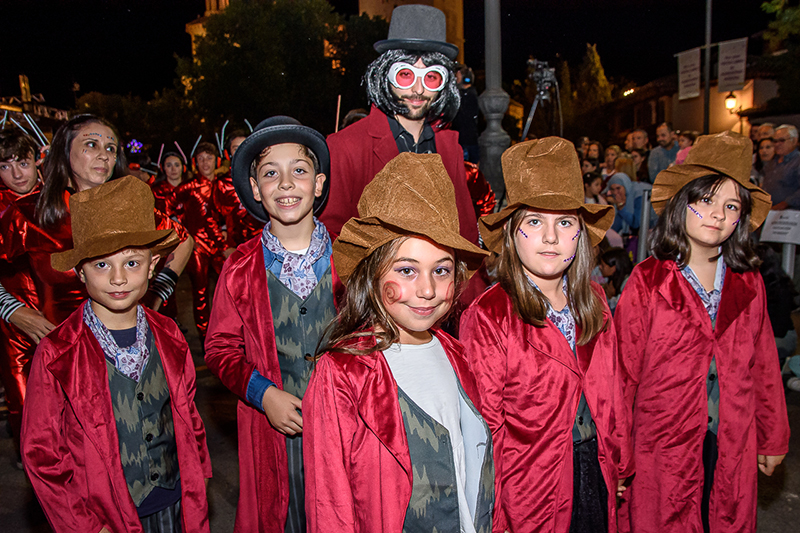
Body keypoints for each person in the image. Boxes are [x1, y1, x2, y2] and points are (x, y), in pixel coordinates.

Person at [304, 152, 493, 533]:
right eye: (407, 270)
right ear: (372, 275)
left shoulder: (457, 354)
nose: (427, 289)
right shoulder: (342, 375)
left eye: (441, 270)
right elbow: (330, 503)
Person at [615, 131, 790, 533]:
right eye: (705, 200)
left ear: (741, 217)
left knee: (723, 516)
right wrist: (619, 453)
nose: (716, 214)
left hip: (732, 438)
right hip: (663, 444)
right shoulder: (648, 281)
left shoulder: (749, 282)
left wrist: (773, 434)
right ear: (682, 204)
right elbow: (623, 373)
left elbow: (763, 364)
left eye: (730, 205)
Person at [22, 176, 211, 532]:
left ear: (153, 265)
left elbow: (190, 420)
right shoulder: (58, 352)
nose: (119, 278)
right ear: (80, 272)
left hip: (174, 503)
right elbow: (42, 454)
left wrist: (197, 479)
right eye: (102, 265)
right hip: (107, 515)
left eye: (132, 263)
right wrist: (88, 526)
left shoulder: (170, 335)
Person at [460, 138, 630, 533]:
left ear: (580, 235)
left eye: (565, 222)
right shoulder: (489, 315)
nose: (550, 237)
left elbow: (612, 392)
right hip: (528, 489)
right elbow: (485, 426)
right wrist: (494, 506)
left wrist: (620, 463)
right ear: (512, 234)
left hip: (594, 468)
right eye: (534, 222)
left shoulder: (595, 302)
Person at [205, 116, 334, 533]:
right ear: (257, 190)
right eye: (270, 174)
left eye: (298, 170)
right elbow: (220, 349)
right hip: (273, 438)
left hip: (344, 432)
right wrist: (264, 395)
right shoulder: (239, 269)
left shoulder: (352, 260)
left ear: (318, 183)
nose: (285, 183)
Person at [0, 114, 193, 329]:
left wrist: (158, 291)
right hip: (64, 349)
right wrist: (13, 311)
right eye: (92, 144)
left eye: (111, 148)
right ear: (65, 151)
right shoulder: (29, 212)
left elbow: (183, 239)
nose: (104, 155)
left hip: (130, 345)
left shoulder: (129, 207)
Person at [320, 4, 478, 243]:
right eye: (405, 75)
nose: (418, 89)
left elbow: (465, 237)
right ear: (386, 76)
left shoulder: (449, 149)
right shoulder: (346, 146)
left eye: (431, 77)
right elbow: (331, 237)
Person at [0, 129, 42, 460]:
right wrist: (11, 310)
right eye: (4, 166)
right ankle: (33, 460)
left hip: (64, 316)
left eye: (22, 163)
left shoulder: (60, 197)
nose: (16, 174)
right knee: (22, 396)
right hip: (13, 322)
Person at [174, 141, 226, 343]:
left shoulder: (224, 184)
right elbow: (170, 208)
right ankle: (206, 338)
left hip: (222, 246)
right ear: (195, 162)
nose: (205, 162)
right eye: (201, 158)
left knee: (230, 290)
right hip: (197, 247)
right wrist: (184, 234)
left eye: (209, 158)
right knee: (201, 293)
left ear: (216, 161)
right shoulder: (188, 186)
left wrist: (227, 231)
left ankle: (229, 334)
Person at [212, 129, 264, 256]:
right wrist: (224, 247)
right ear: (228, 153)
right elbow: (212, 218)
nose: (241, 151)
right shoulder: (221, 183)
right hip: (235, 249)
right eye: (236, 148)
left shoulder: (264, 178)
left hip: (263, 245)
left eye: (245, 146)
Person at [761, 124, 800, 210]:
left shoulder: (797, 162)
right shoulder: (772, 162)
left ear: (794, 141)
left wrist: (785, 203)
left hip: (790, 216)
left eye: (781, 140)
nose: (777, 144)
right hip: (770, 214)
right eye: (775, 141)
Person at [452, 65, 480, 163]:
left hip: (467, 140)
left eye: (458, 76)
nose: (456, 78)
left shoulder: (470, 95)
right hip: (462, 139)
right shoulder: (461, 94)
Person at [598, 247, 633, 314]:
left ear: (613, 268)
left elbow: (623, 308)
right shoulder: (612, 280)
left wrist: (611, 297)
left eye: (603, 265)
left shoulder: (628, 283)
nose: (600, 267)